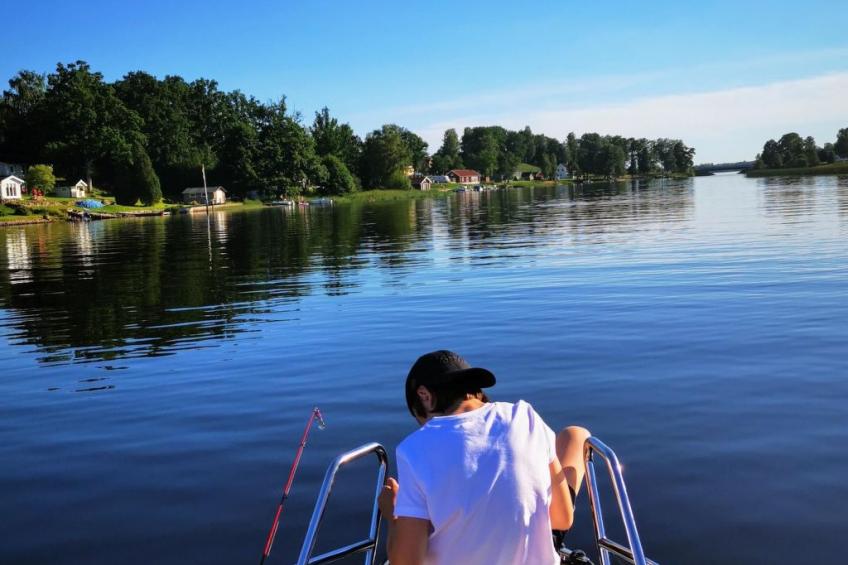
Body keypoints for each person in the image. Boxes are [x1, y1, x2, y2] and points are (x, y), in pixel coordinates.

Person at [378, 350, 591, 565]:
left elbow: (406, 562)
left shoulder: (414, 449)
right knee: (576, 434)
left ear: (425, 396)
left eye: (418, 418)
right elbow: (562, 518)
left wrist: (393, 516)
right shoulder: (526, 416)